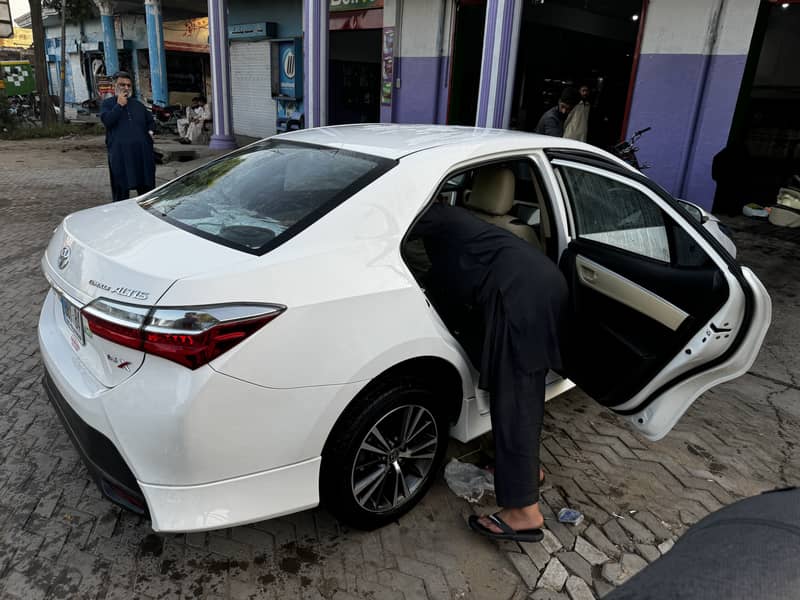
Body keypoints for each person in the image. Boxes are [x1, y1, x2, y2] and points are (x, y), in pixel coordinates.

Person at [410, 202, 568, 542]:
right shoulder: (449, 215)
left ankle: (524, 511)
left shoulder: (417, 212)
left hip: (520, 296)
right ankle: (526, 472)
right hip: (528, 285)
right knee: (513, 393)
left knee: (516, 402)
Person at [100, 71, 156, 202]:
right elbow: (107, 121)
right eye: (122, 84)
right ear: (114, 85)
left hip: (141, 154)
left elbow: (151, 121)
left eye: (128, 85)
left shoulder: (138, 105)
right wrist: (119, 105)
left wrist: (151, 132)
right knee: (121, 188)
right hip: (121, 155)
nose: (126, 88)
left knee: (146, 190)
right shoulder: (108, 104)